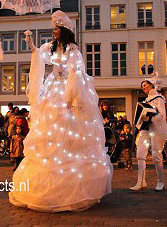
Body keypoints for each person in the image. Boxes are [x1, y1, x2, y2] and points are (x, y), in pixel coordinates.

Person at [10, 11, 111, 212]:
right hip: (52, 90)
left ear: (63, 30)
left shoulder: (73, 50)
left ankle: (74, 187)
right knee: (48, 130)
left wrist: (71, 97)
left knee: (70, 132)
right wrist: (30, 44)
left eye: (56, 28)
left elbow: (76, 72)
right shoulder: (51, 47)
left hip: (66, 91)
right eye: (53, 28)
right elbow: (39, 55)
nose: (53, 31)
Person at [131, 75, 167, 191]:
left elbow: (162, 115)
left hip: (156, 129)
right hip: (145, 129)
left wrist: (151, 118)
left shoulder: (159, 98)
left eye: (145, 85)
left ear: (152, 85)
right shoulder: (145, 101)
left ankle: (160, 181)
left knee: (156, 155)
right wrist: (141, 121)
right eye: (142, 86)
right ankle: (141, 182)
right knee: (140, 154)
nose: (143, 87)